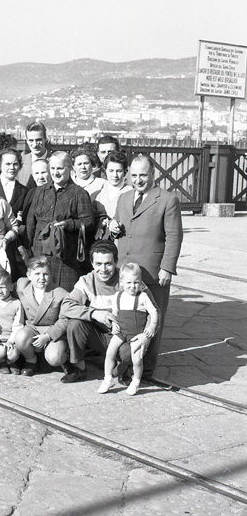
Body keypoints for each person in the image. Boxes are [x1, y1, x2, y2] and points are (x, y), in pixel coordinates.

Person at [110, 154, 183, 378]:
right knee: (127, 319)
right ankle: (127, 364)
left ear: (153, 174)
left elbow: (174, 236)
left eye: (143, 175)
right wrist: (113, 227)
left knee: (153, 318)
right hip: (125, 271)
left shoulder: (167, 199)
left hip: (152, 272)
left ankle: (147, 369)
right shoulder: (124, 197)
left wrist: (167, 268)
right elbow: (119, 225)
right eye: (134, 175)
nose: (138, 180)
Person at [60, 240, 134, 383]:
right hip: (98, 335)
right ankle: (79, 369)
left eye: (108, 264)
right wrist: (94, 313)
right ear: (92, 264)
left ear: (116, 262)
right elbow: (67, 306)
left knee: (129, 352)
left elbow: (151, 310)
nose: (103, 269)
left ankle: (124, 369)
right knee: (75, 325)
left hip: (123, 335)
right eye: (98, 264)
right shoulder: (86, 281)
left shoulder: (128, 279)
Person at [26, 151, 95, 291]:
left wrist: (69, 224)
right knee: (41, 295)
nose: (55, 173)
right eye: (52, 168)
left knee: (65, 297)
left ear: (70, 168)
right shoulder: (40, 191)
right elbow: (30, 222)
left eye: (60, 168)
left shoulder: (79, 193)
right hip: (40, 254)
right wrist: (30, 248)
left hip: (66, 257)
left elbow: (89, 222)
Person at [98, 262, 158, 396]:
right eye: (128, 283)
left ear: (140, 283)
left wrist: (152, 326)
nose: (132, 286)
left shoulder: (142, 297)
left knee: (137, 359)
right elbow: (114, 314)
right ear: (121, 282)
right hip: (121, 331)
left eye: (136, 282)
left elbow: (154, 311)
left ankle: (135, 381)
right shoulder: (118, 297)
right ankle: (108, 379)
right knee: (110, 352)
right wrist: (114, 324)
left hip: (136, 334)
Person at [13, 257, 68, 377]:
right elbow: (4, 285)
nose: (42, 278)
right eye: (37, 274)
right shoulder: (22, 285)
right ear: (28, 275)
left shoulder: (60, 293)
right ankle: (31, 361)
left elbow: (64, 320)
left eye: (46, 274)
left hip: (52, 331)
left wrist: (48, 336)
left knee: (54, 357)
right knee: (20, 338)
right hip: (32, 329)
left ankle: (64, 361)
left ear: (51, 275)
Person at [91, 150, 131, 240]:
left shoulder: (131, 192)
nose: (114, 175)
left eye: (119, 171)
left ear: (125, 171)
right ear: (105, 170)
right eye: (111, 171)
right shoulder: (97, 195)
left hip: (123, 239)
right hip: (102, 242)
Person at [17, 122, 48, 188]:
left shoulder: (55, 161)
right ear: (27, 141)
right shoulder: (19, 162)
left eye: (38, 140)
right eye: (31, 140)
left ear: (45, 139)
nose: (35, 144)